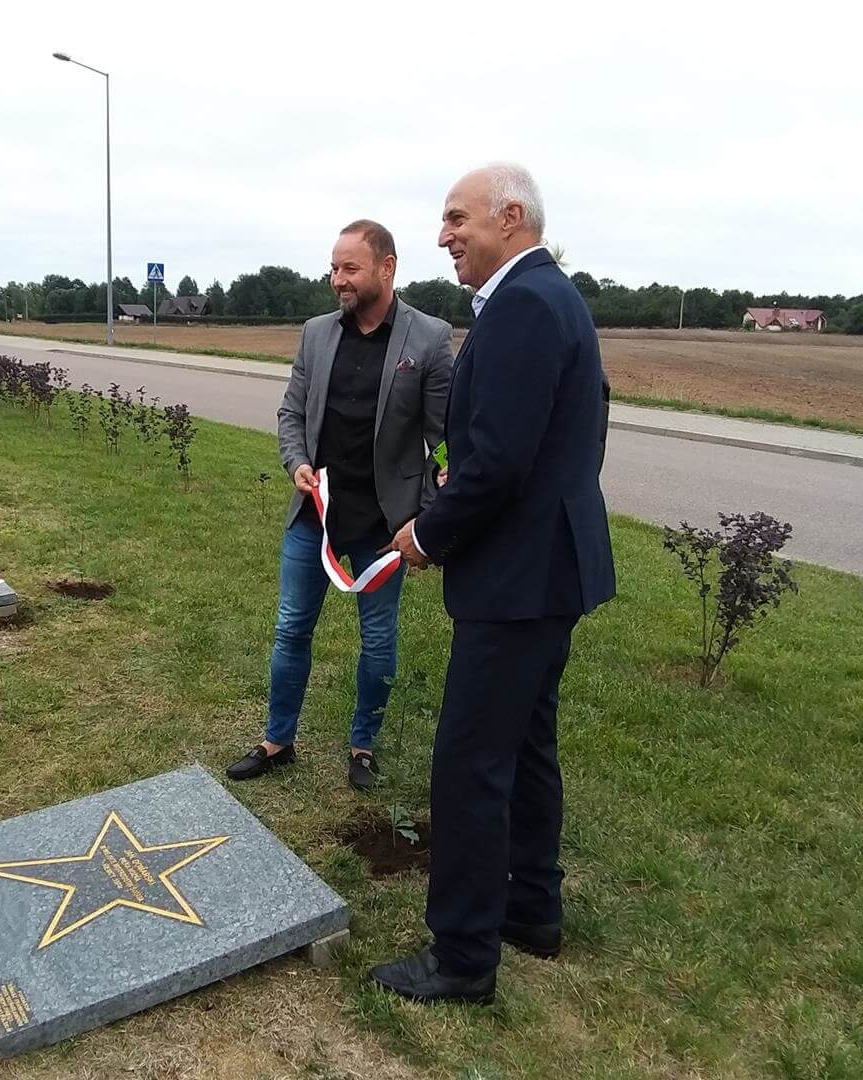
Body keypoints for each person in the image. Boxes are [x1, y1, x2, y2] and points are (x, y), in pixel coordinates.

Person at [371, 164, 616, 1004]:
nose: (443, 236)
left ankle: (464, 956)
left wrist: (429, 532)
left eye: (457, 219)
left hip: (516, 578)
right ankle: (531, 909)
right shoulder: (555, 298)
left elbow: (502, 461)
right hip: (547, 570)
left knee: (471, 761)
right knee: (527, 745)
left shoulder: (524, 306)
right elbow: (555, 441)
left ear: (510, 217)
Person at [226, 219, 452, 790]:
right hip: (316, 516)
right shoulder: (316, 333)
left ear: (387, 268)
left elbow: (444, 439)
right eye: (333, 268)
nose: (338, 279)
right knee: (291, 628)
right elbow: (291, 412)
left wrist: (424, 517)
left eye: (350, 268)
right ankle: (278, 741)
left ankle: (362, 747)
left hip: (384, 525)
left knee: (378, 641)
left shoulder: (428, 339)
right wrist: (295, 461)